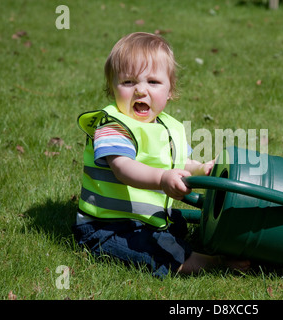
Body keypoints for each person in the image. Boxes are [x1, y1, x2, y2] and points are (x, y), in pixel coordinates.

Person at [72, 32, 249, 278]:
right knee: (158, 251)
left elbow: (178, 161)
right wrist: (162, 178)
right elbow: (123, 168)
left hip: (142, 219)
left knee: (177, 223)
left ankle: (184, 245)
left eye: (153, 82)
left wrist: (200, 169)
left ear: (170, 91)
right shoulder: (113, 126)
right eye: (128, 82)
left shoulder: (168, 127)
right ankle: (211, 262)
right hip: (108, 226)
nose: (141, 91)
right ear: (111, 87)